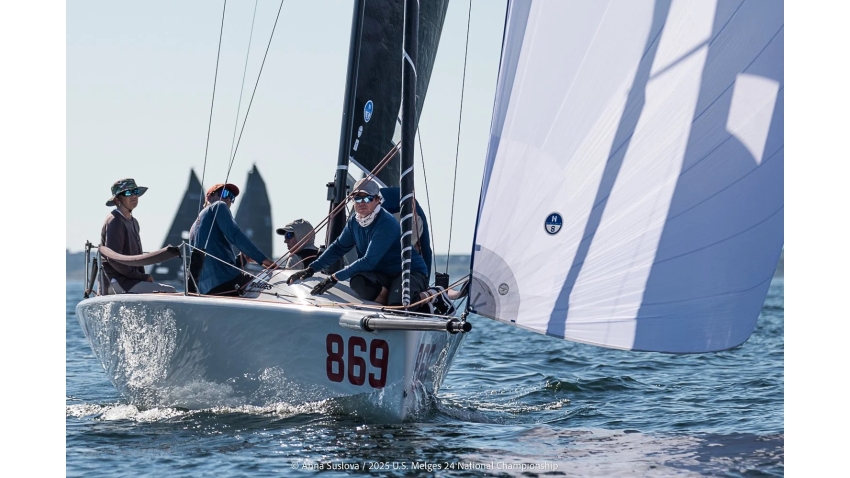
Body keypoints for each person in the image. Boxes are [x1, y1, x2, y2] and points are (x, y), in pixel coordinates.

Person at [287, 178, 432, 308]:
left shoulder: (386, 223)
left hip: (409, 272)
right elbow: (338, 247)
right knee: (358, 282)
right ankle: (392, 298)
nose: (362, 203)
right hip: (382, 274)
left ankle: (432, 296)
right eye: (357, 198)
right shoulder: (354, 222)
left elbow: (368, 261)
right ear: (352, 200)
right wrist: (312, 269)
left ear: (377, 200)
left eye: (367, 198)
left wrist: (334, 278)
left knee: (400, 305)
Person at [189, 183, 277, 296]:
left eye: (232, 197)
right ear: (209, 197)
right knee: (273, 286)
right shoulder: (218, 205)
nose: (229, 199)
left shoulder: (194, 227)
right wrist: (263, 260)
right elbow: (235, 235)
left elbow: (211, 261)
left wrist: (242, 259)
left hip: (207, 291)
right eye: (225, 193)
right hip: (227, 282)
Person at [100, 178, 176, 294]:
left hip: (130, 280)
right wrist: (142, 277)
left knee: (171, 291)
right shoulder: (115, 221)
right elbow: (114, 260)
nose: (134, 196)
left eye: (135, 192)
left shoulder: (134, 222)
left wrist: (142, 277)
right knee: (169, 291)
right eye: (128, 193)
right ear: (117, 200)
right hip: (116, 281)